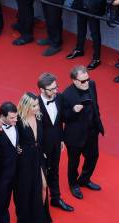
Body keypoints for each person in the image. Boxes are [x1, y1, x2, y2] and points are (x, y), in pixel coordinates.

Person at [62, 66, 105, 200]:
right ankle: (73, 184)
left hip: (92, 131)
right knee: (73, 162)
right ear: (74, 81)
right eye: (82, 81)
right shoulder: (66, 95)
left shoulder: (92, 85)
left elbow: (95, 105)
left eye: (87, 79)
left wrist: (98, 122)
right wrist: (74, 111)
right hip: (75, 135)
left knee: (93, 157)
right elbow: (63, 117)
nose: (86, 82)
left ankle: (84, 179)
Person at [15, 92, 52, 223]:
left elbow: (42, 137)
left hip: (38, 155)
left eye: (37, 104)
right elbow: (11, 137)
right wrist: (16, 147)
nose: (37, 107)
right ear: (26, 106)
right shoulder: (18, 120)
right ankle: (27, 216)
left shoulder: (39, 117)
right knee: (27, 188)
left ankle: (39, 215)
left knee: (43, 185)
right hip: (25, 159)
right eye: (34, 105)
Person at [37, 73, 74, 212]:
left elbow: (60, 121)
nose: (55, 91)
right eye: (51, 89)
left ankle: (56, 198)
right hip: (41, 146)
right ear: (42, 90)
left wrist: (62, 139)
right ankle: (40, 202)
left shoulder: (59, 98)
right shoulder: (35, 103)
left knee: (55, 170)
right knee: (41, 174)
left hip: (56, 143)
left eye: (56, 87)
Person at [0, 102, 21, 223]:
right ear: (2, 117)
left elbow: (13, 144)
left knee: (6, 200)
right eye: (12, 118)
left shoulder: (15, 125)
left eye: (16, 117)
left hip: (13, 172)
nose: (16, 120)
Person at [67, 0, 106, 70]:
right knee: (80, 28)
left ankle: (96, 59)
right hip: (81, 4)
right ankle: (79, 49)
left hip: (94, 7)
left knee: (95, 33)